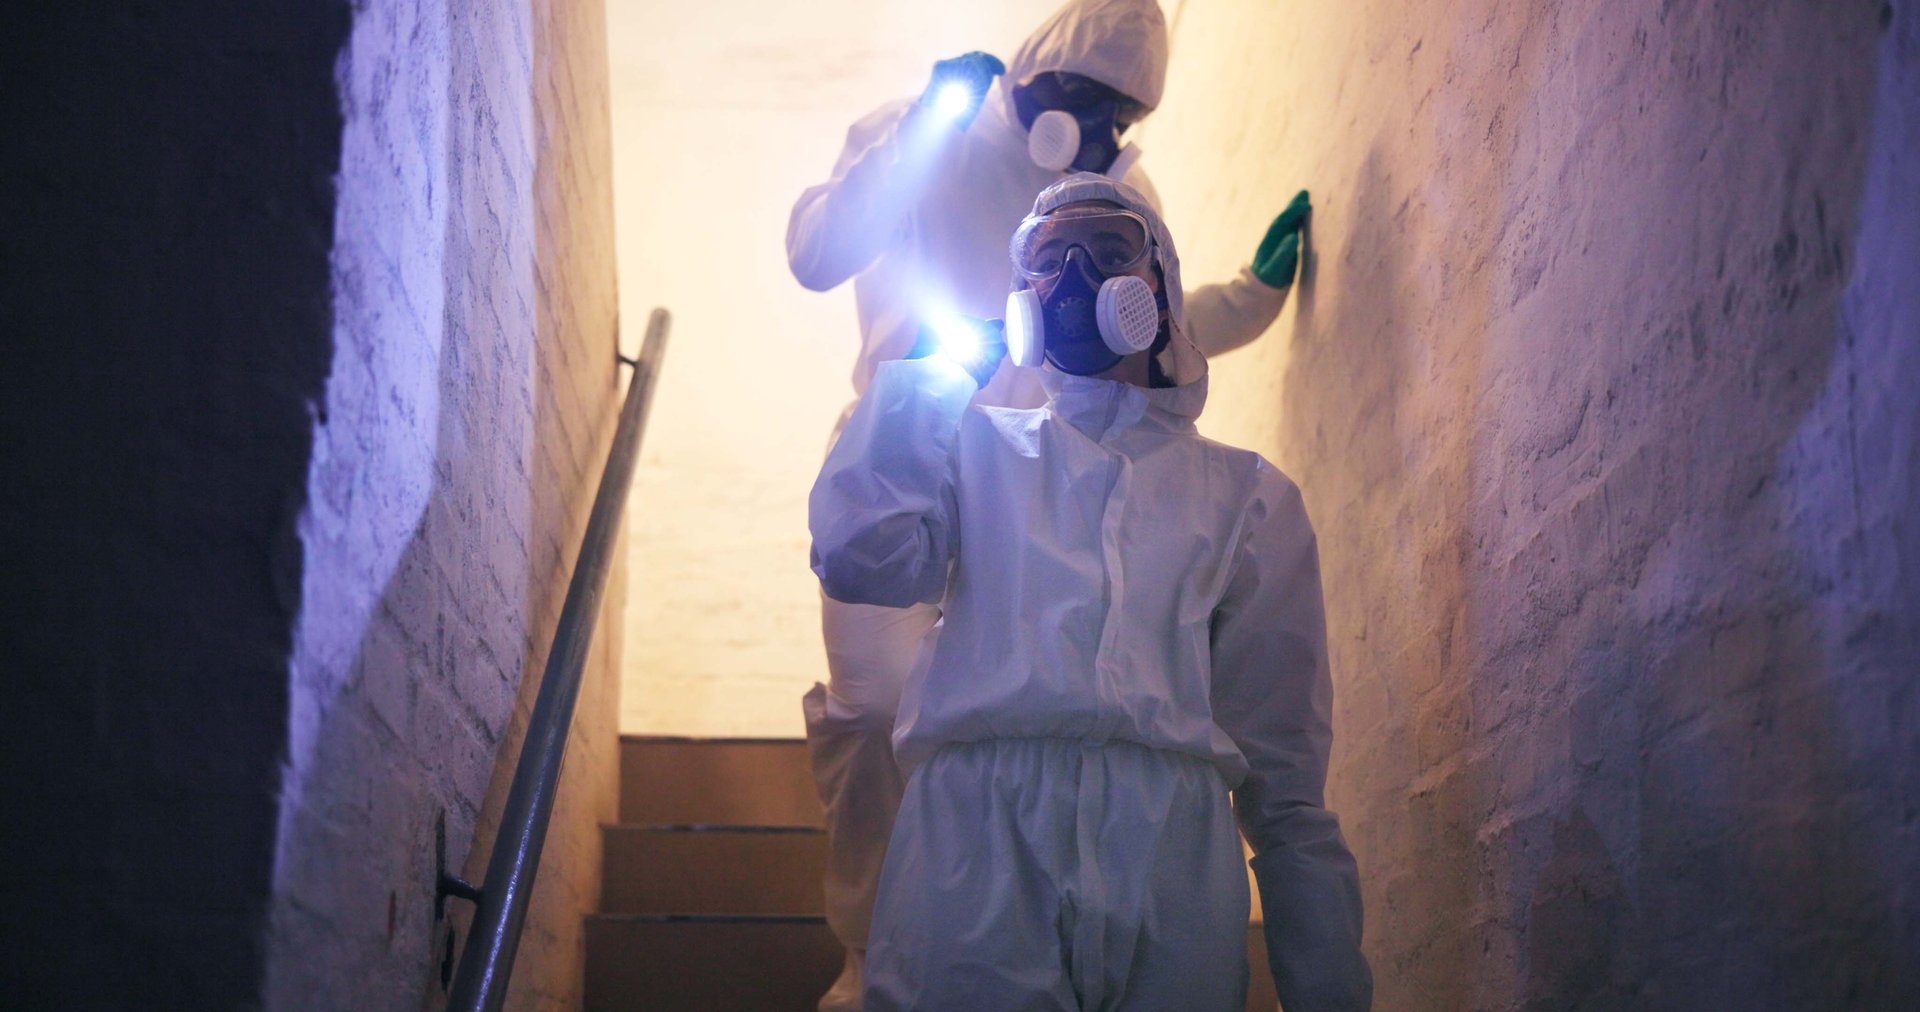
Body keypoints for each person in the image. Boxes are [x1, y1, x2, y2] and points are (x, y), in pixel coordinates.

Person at [787, 2, 1314, 1005]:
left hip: (1040, 492)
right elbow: (818, 252)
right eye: (1086, 97)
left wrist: (1246, 297)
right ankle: (868, 951)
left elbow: (1137, 322)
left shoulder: (1122, 190)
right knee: (879, 714)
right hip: (908, 455)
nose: (1102, 129)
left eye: (1125, 112)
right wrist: (923, 128)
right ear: (1031, 77)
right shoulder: (918, 133)